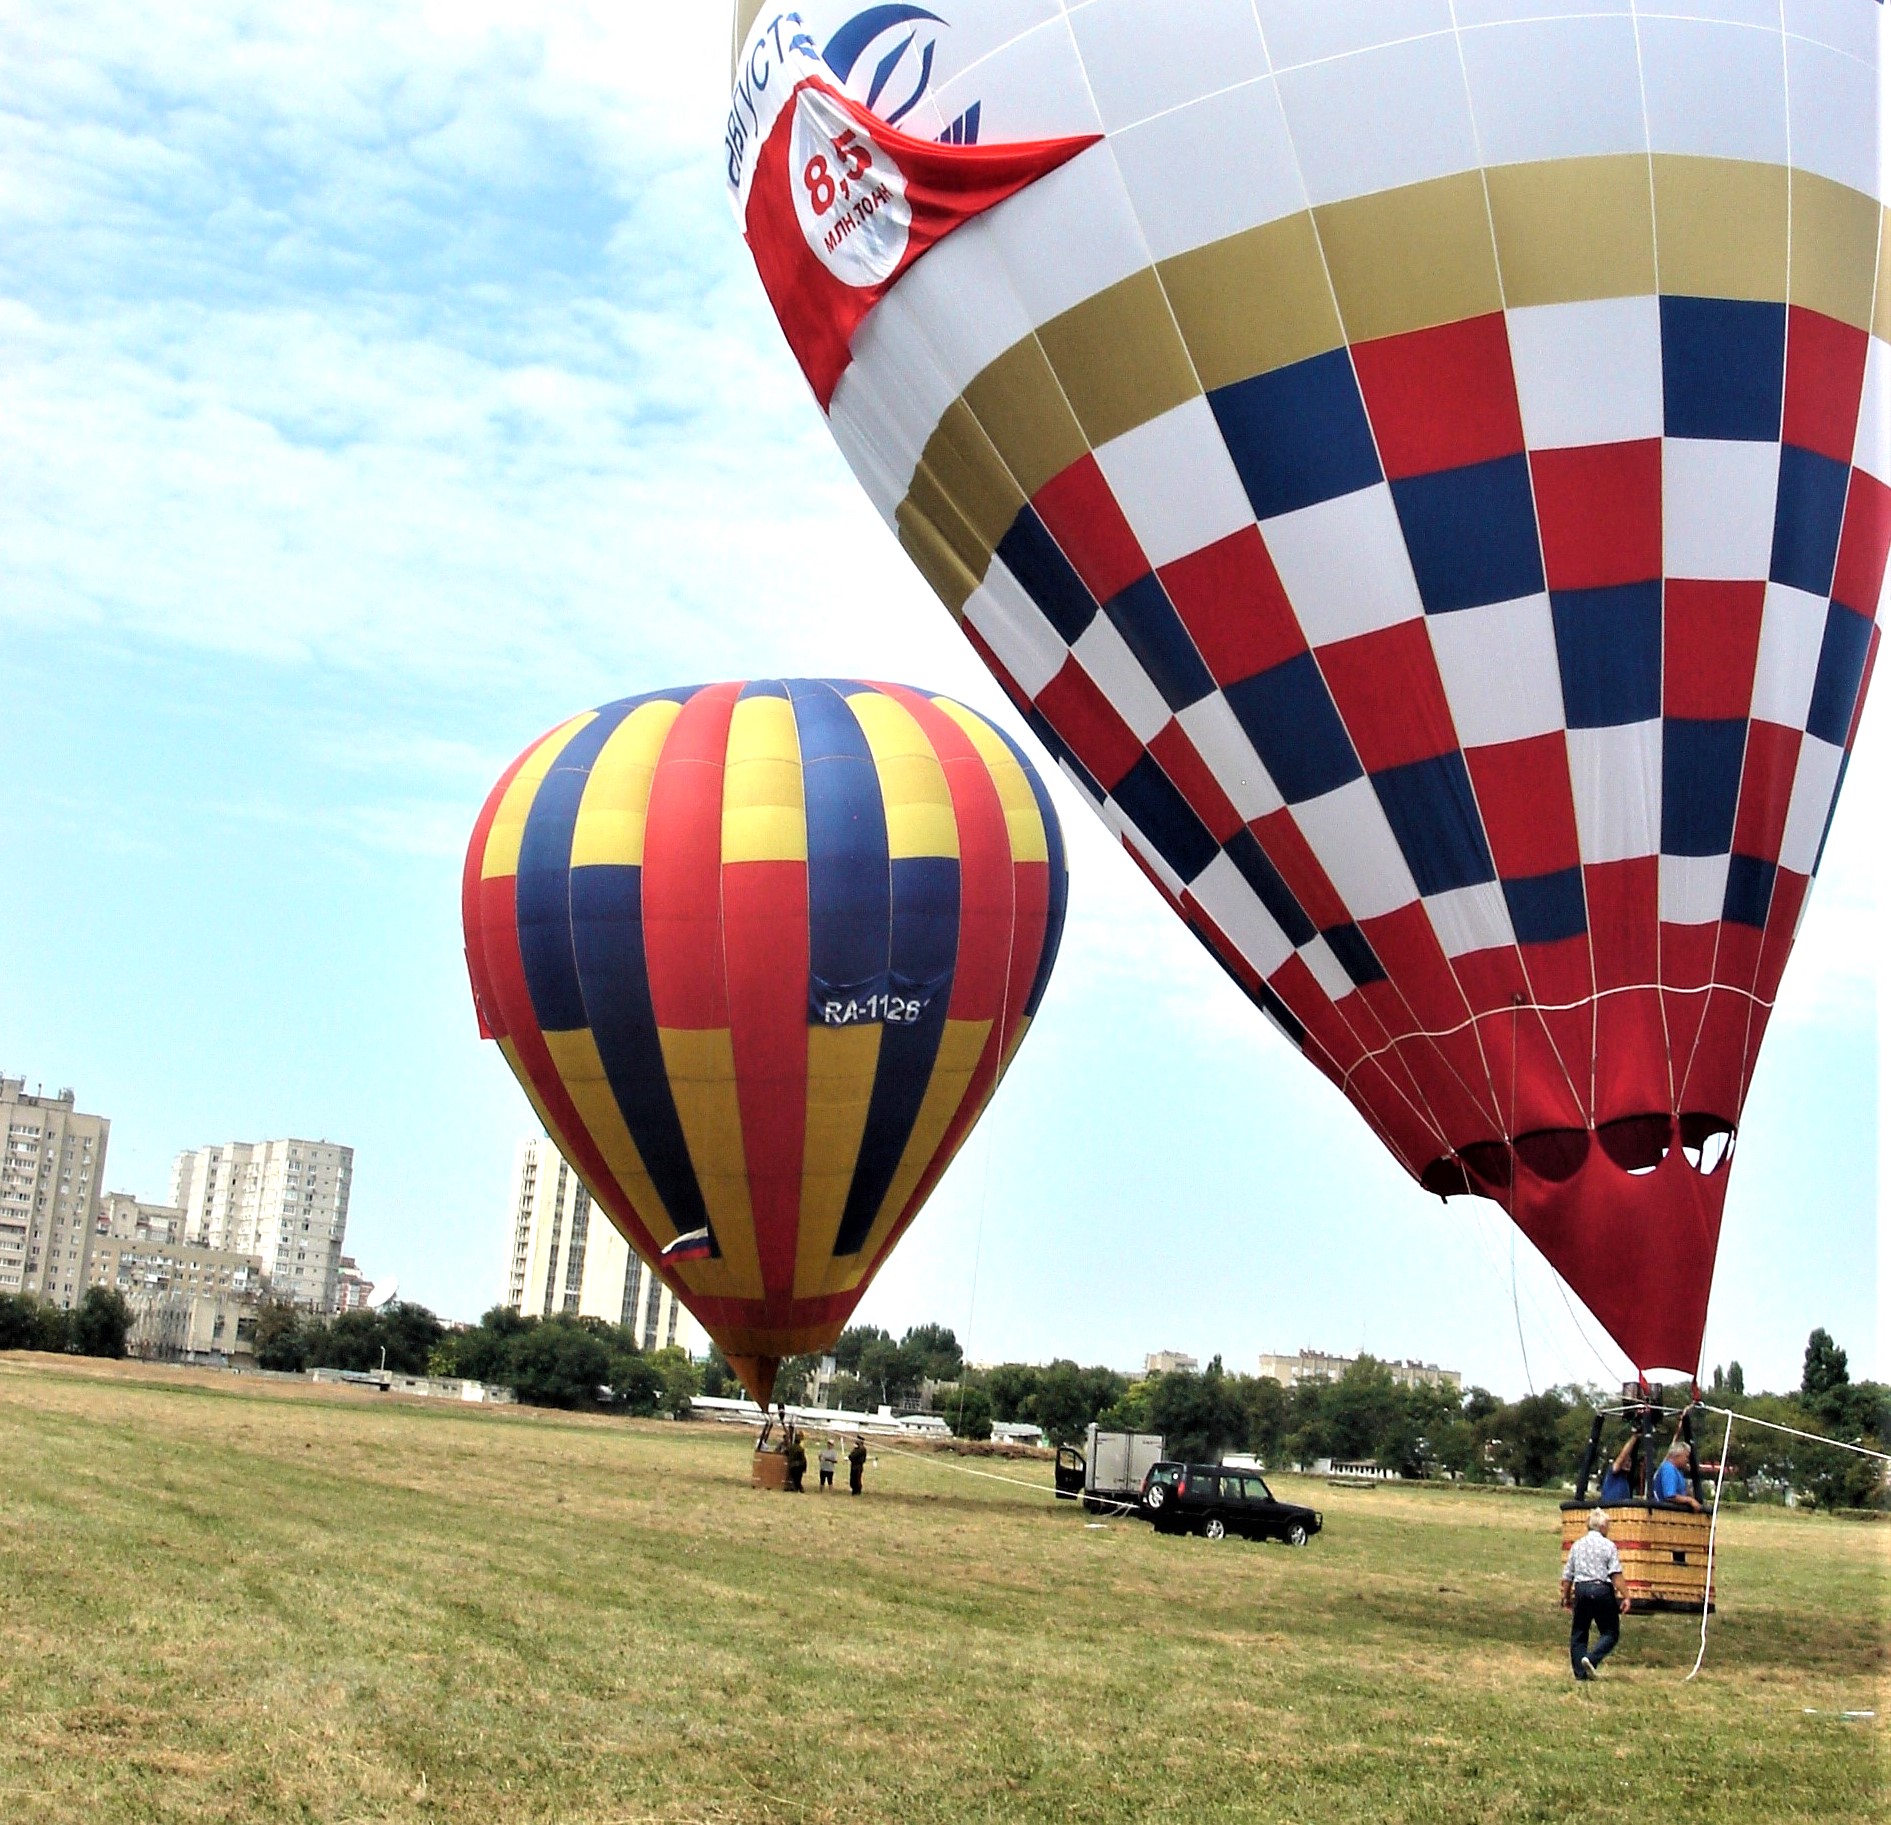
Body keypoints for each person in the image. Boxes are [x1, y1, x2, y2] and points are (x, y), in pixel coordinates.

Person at [1561, 1508, 1626, 1681]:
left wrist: (1565, 1597)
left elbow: (1568, 1575)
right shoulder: (1608, 1546)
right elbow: (1615, 1574)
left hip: (1581, 1590)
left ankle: (1580, 1674)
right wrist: (1626, 1596)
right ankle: (1591, 1659)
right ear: (1603, 1526)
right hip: (1602, 1590)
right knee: (1611, 1632)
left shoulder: (1577, 1545)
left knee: (1579, 1632)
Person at [1652, 1442, 1703, 1510]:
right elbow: (1670, 1496)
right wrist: (1690, 1500)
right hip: (1664, 1513)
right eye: (1686, 1457)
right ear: (1677, 1455)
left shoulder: (1678, 1471)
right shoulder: (1669, 1469)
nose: (1687, 1460)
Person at [1598, 1435, 1638, 1504]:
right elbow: (1622, 1456)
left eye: (1629, 1461)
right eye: (1625, 1461)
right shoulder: (1612, 1473)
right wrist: (1634, 1437)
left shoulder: (1625, 1482)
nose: (1627, 1463)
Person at [785, 1427, 807, 1494]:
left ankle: (797, 1489)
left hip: (792, 1465)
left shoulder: (790, 1447)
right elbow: (803, 1459)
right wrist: (804, 1467)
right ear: (799, 1441)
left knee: (794, 1479)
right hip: (799, 1466)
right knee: (798, 1479)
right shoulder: (801, 1449)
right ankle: (800, 1489)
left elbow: (786, 1452)